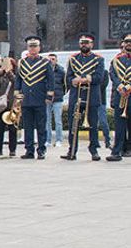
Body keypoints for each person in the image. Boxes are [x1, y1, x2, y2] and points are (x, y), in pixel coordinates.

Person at [61, 33, 104, 161]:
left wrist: (87, 79)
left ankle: (94, 150)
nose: (84, 45)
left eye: (87, 43)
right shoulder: (73, 59)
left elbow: (99, 77)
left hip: (92, 96)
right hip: (76, 96)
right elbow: (68, 77)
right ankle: (72, 150)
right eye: (82, 43)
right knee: (73, 125)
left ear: (92, 44)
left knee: (93, 125)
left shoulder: (98, 59)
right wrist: (73, 80)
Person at [13, 36, 55, 160]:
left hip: (40, 98)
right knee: (28, 126)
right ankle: (29, 150)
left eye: (35, 46)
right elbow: (18, 79)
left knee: (41, 126)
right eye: (30, 46)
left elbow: (51, 80)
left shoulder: (45, 62)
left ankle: (41, 150)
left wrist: (49, 95)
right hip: (26, 99)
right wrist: (17, 94)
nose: (32, 49)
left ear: (39, 48)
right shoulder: (22, 62)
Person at [107, 33, 131, 162]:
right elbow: (112, 74)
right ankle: (117, 151)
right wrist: (120, 86)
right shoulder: (116, 60)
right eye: (126, 41)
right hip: (120, 95)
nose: (129, 43)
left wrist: (129, 86)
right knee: (119, 126)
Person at [0, 58, 18, 156]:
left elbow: (16, 82)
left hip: (12, 105)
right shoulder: (2, 76)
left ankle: (12, 149)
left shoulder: (15, 74)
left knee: (12, 128)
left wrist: (9, 72)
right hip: (2, 105)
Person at [46, 53, 66, 148]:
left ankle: (58, 140)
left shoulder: (61, 71)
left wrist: (61, 93)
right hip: (47, 99)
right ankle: (48, 140)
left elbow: (65, 84)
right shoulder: (44, 71)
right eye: (49, 59)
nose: (51, 61)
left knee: (58, 121)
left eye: (53, 59)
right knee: (47, 121)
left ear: (56, 60)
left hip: (58, 99)